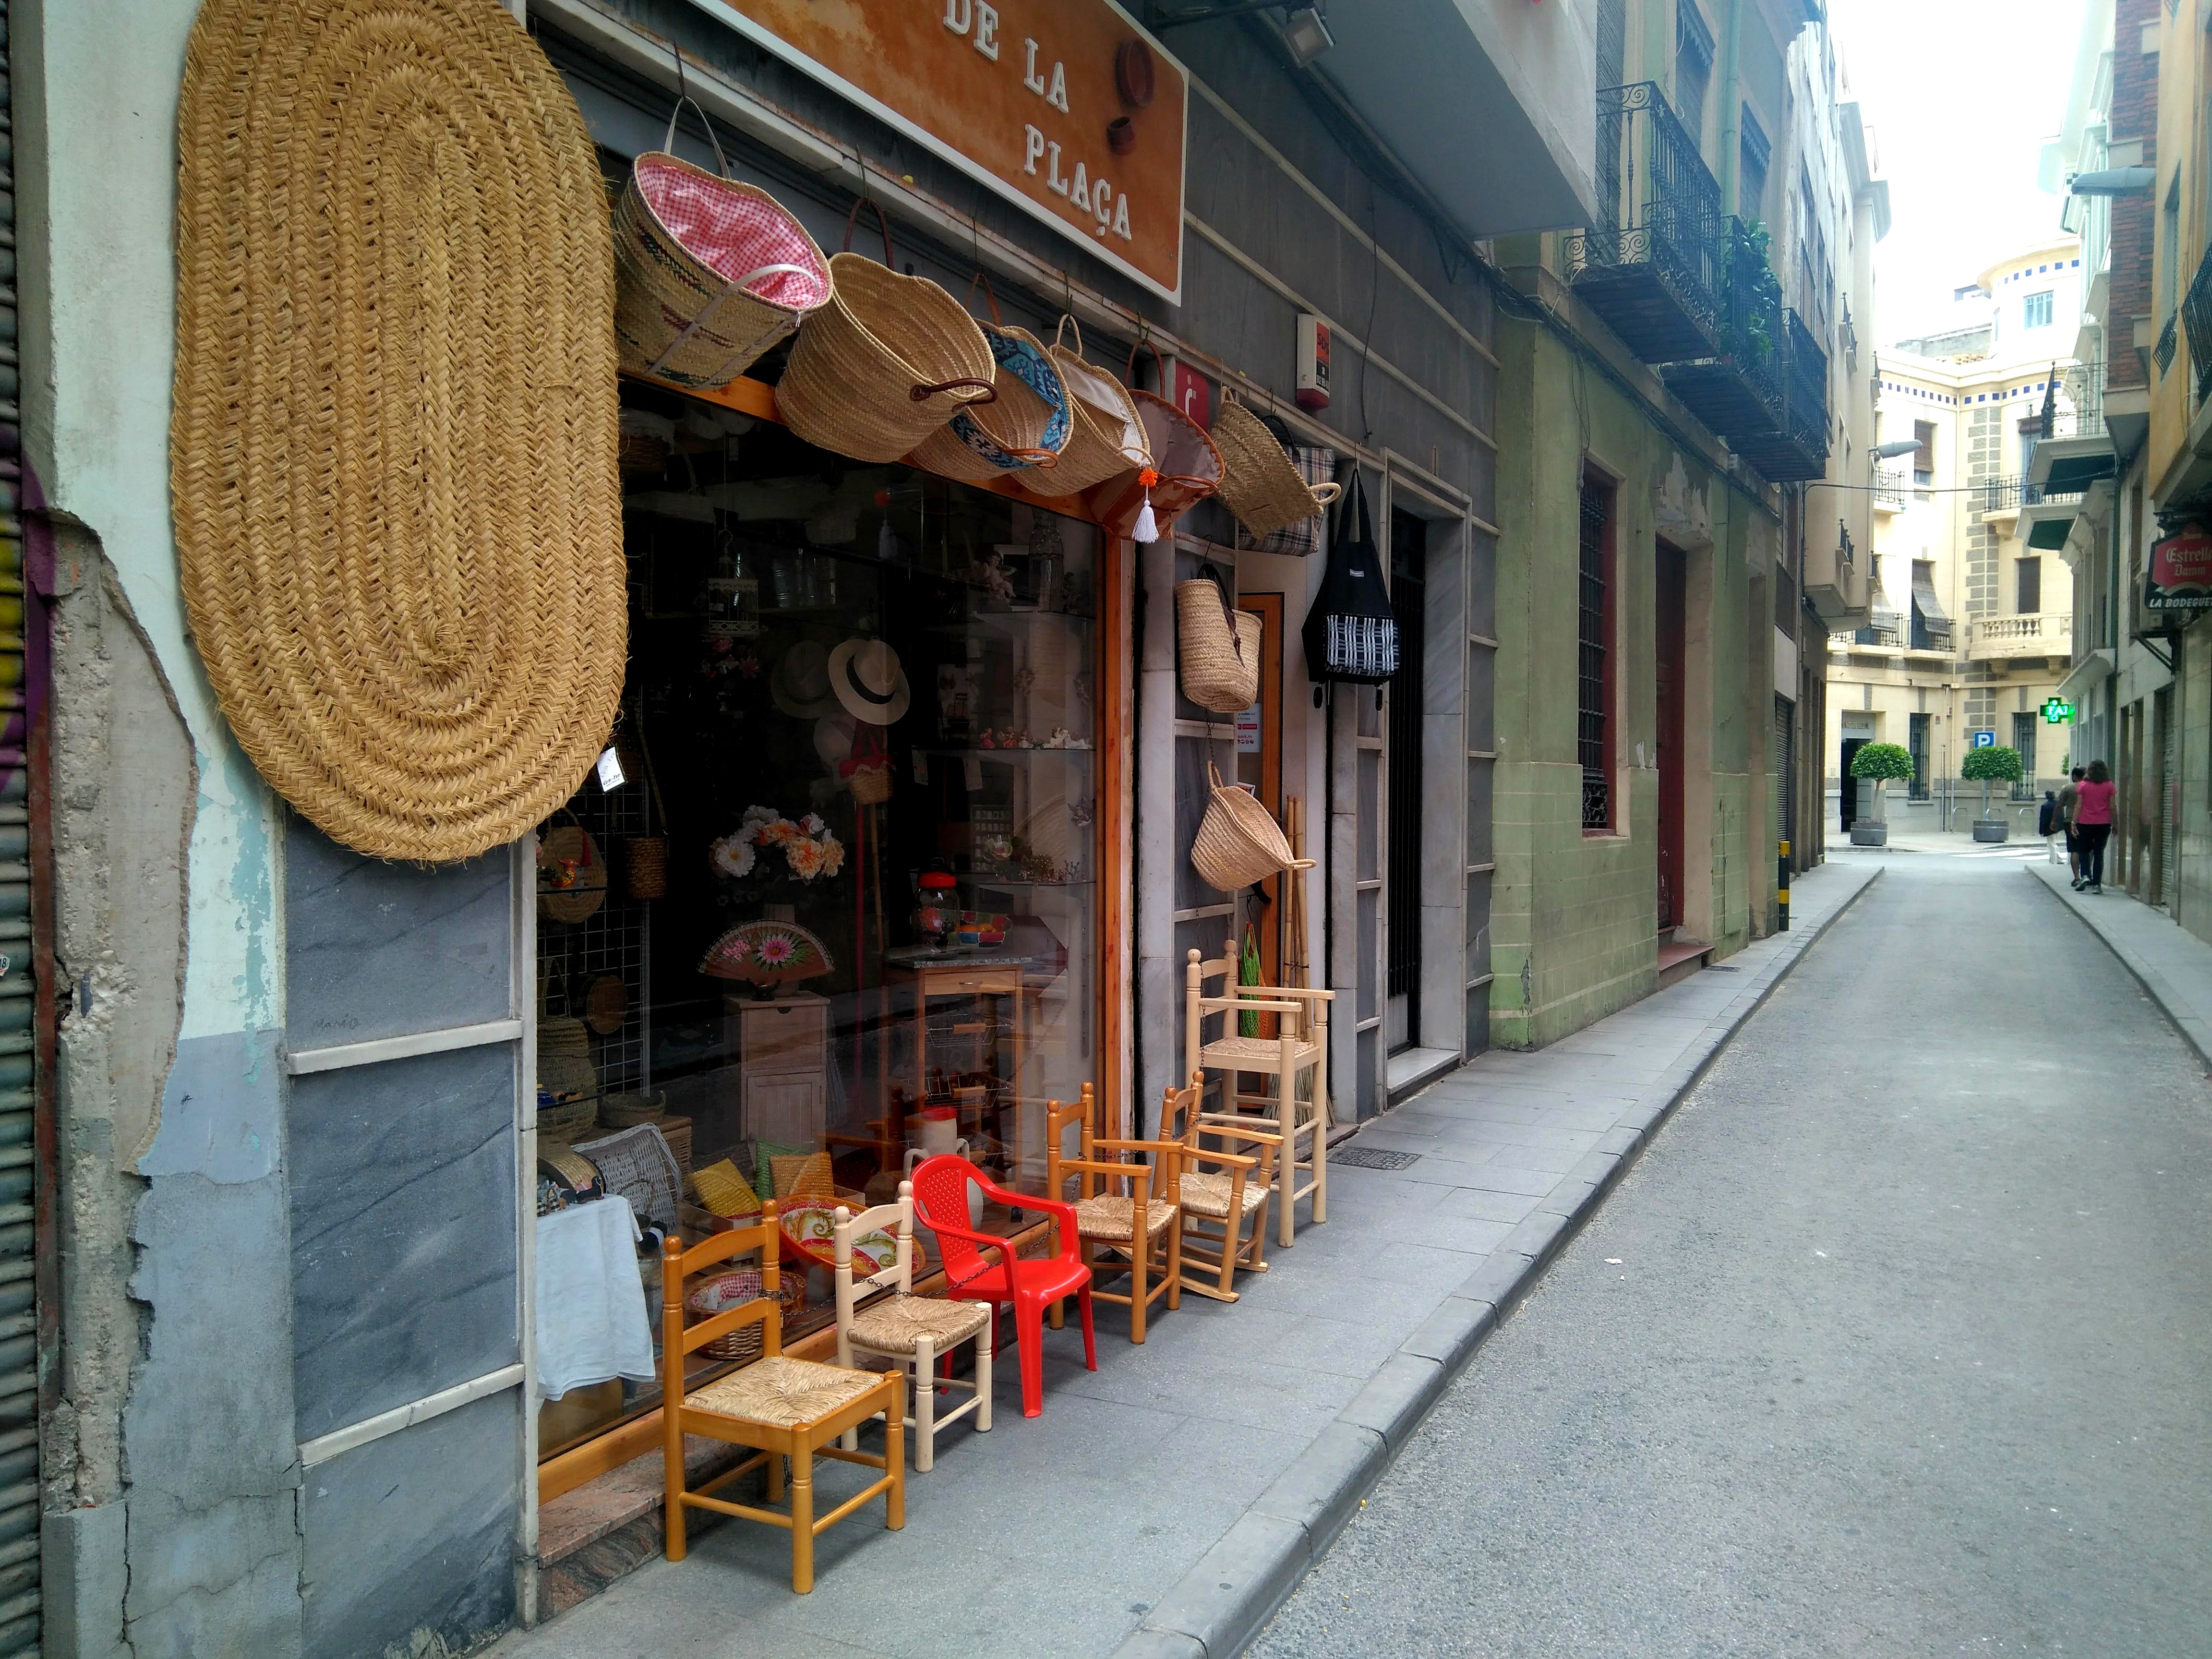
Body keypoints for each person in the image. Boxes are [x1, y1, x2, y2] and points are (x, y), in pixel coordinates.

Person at [2073, 759, 2116, 893]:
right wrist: (2116, 823)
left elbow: (2079, 806)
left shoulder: (2083, 785)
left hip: (2085, 823)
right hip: (2104, 824)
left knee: (2084, 850)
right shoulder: (2110, 786)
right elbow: (2113, 806)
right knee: (2099, 853)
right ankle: (2097, 885)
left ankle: (2086, 875)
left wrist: (2074, 823)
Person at [2058, 767, 2084, 886]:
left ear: (2074, 776)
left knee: (2074, 850)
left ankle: (2077, 877)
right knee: (2087, 849)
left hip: (2070, 820)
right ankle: (2087, 875)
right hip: (2086, 820)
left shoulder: (2068, 788)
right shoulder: (2088, 787)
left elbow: (2060, 805)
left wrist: (2054, 820)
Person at [2038, 788, 2060, 863]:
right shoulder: (2058, 804)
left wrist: (2041, 831)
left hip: (2049, 827)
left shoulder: (2045, 806)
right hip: (2058, 826)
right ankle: (2059, 859)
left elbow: (2043, 819)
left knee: (2051, 845)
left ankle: (2053, 861)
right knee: (2054, 843)